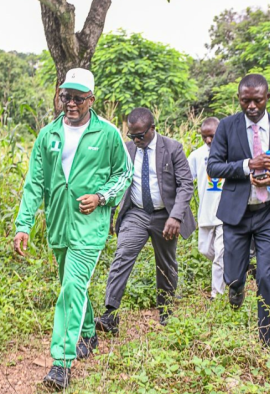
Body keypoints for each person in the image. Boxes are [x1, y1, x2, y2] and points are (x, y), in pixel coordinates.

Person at [11, 69, 132, 389]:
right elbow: (34, 183)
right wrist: (23, 224)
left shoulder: (107, 134)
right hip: (59, 225)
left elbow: (124, 173)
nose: (71, 103)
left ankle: (61, 363)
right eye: (66, 96)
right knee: (72, 285)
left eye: (78, 98)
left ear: (91, 100)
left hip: (90, 227)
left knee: (72, 288)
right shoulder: (48, 135)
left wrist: (102, 196)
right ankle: (89, 334)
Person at [207, 74, 270, 346]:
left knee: (266, 278)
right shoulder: (227, 127)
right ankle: (236, 287)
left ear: (268, 98)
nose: (251, 106)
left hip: (269, 214)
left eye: (257, 100)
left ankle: (265, 338)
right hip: (236, 215)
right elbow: (213, 167)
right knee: (234, 275)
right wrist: (247, 166)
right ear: (239, 99)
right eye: (245, 100)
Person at [96, 108, 195, 333]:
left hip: (165, 215)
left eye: (140, 135)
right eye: (132, 135)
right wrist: (110, 216)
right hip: (136, 212)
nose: (136, 140)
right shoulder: (126, 149)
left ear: (152, 128)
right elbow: (115, 182)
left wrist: (176, 216)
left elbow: (186, 185)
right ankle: (110, 314)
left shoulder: (172, 148)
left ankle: (166, 312)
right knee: (122, 255)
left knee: (166, 264)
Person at [187, 117, 226, 298]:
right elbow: (185, 178)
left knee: (220, 254)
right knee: (204, 249)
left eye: (212, 136)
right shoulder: (196, 155)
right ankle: (232, 266)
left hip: (225, 213)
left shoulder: (231, 152)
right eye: (204, 137)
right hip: (205, 212)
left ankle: (216, 295)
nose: (209, 140)